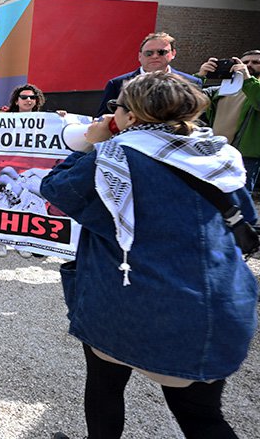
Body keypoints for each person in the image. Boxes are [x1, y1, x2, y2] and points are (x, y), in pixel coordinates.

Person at [41, 72, 257, 439]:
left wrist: (89, 144)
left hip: (126, 307)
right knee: (201, 418)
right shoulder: (220, 154)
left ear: (132, 117)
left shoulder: (114, 159)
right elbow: (245, 220)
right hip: (211, 311)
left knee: (104, 388)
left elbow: (57, 191)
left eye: (118, 107)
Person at [0, 83, 65, 258]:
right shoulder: (5, 117)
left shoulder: (47, 120)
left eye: (32, 97)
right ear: (17, 101)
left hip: (33, 174)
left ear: (37, 101)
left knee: (15, 194)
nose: (28, 100)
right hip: (16, 169)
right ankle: (2, 240)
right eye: (24, 97)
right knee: (7, 183)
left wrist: (61, 119)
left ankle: (22, 241)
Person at [96, 32, 202, 116]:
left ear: (173, 53)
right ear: (140, 56)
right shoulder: (117, 84)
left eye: (161, 52)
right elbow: (104, 119)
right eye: (149, 53)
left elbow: (198, 119)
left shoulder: (191, 83)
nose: (155, 56)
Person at [198, 51, 260, 192]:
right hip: (217, 151)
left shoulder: (254, 88)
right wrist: (200, 77)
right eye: (244, 62)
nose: (248, 65)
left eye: (256, 62)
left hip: (245, 156)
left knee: (239, 199)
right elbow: (185, 98)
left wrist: (247, 78)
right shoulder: (223, 90)